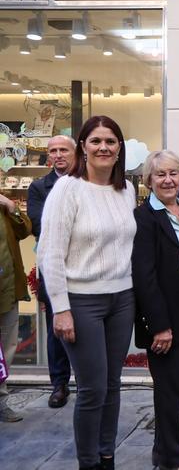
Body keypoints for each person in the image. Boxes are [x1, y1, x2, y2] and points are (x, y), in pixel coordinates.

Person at [37, 115, 137, 469]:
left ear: (119, 147)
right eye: (95, 141)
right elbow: (49, 253)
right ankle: (88, 462)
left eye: (110, 141)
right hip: (81, 303)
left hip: (122, 299)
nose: (103, 147)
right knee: (93, 389)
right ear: (83, 146)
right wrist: (61, 309)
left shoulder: (127, 189)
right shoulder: (68, 189)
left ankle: (107, 454)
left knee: (112, 385)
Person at [132, 150, 179, 470]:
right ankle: (171, 456)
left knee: (177, 388)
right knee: (169, 390)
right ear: (149, 180)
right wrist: (159, 325)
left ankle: (167, 449)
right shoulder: (145, 218)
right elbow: (144, 276)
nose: (168, 180)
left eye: (174, 173)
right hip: (168, 318)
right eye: (160, 174)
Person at [27, 134, 75, 409]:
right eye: (53, 150)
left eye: (63, 150)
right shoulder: (39, 187)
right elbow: (38, 225)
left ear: (74, 153)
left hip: (85, 267)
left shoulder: (87, 182)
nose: (58, 155)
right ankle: (59, 383)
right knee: (57, 326)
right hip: (53, 267)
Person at [0, 190, 32, 423]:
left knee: (6, 348)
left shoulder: (4, 206)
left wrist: (12, 206)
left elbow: (25, 231)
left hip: (7, 290)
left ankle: (1, 402)